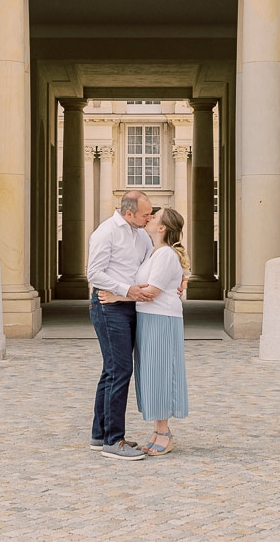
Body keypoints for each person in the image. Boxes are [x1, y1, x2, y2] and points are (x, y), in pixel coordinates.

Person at [102, 207, 190, 456]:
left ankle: (164, 432)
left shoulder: (165, 255)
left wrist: (116, 297)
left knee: (160, 373)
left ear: (162, 227)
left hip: (162, 319)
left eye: (155, 216)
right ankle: (157, 429)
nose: (149, 217)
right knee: (150, 374)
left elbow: (151, 292)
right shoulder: (154, 252)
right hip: (149, 318)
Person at [86, 190, 155, 461]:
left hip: (128, 304)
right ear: (128, 213)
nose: (149, 218)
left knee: (111, 370)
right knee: (120, 370)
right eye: (144, 214)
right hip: (107, 307)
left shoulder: (141, 234)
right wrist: (124, 289)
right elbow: (94, 273)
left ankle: (99, 434)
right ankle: (114, 441)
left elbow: (150, 263)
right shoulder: (106, 233)